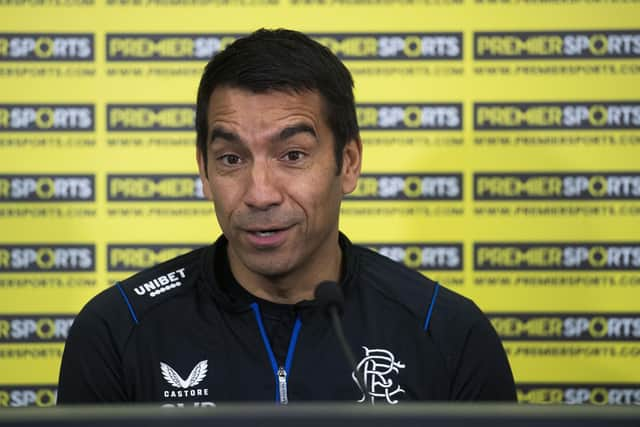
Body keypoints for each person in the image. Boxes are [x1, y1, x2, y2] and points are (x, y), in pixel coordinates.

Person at [57, 28, 516, 405]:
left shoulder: (447, 332)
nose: (259, 194)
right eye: (231, 159)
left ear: (349, 163)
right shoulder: (117, 330)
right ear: (204, 171)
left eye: (292, 154)